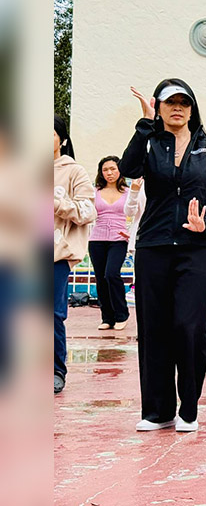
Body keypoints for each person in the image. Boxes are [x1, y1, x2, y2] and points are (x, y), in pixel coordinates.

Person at [119, 80, 206, 432]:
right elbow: (128, 168)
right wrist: (145, 124)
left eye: (184, 102)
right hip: (153, 245)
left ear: (192, 107)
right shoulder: (150, 142)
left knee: (188, 325)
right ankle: (158, 411)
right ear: (160, 107)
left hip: (198, 247)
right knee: (153, 328)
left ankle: (189, 407)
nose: (177, 108)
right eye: (170, 102)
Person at [54, 115, 97, 394]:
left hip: (54, 254)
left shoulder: (74, 172)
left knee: (51, 315)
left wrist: (55, 202)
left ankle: (55, 370)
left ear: (62, 139)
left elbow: (86, 212)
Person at [89, 156, 131, 331]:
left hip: (119, 238)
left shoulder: (129, 192)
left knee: (111, 274)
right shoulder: (95, 191)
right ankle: (107, 317)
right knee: (101, 279)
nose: (109, 173)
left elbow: (137, 212)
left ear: (120, 170)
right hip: (97, 238)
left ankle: (122, 314)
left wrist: (131, 232)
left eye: (113, 169)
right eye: (105, 170)